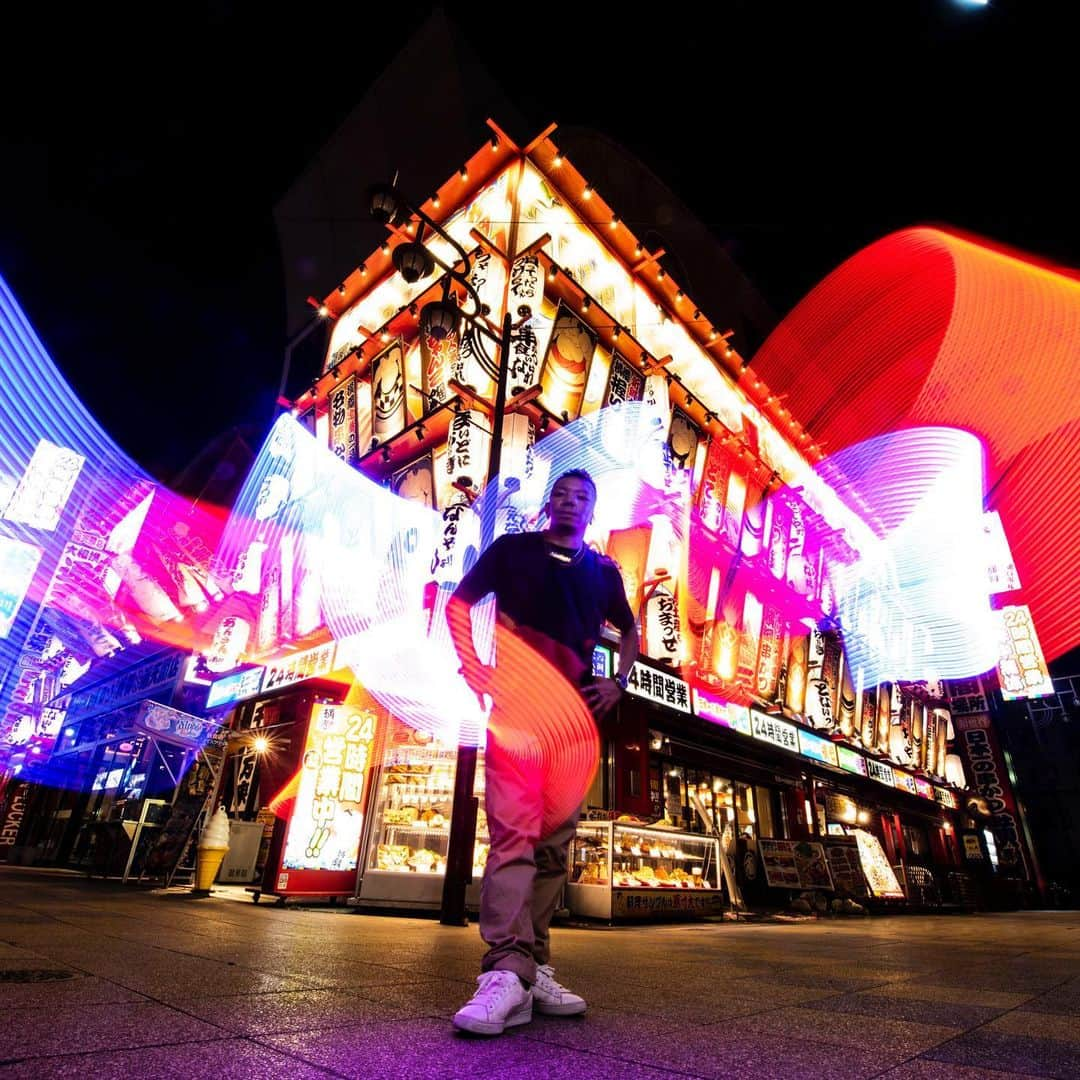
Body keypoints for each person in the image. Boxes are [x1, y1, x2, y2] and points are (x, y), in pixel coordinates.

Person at [446, 469, 639, 1036]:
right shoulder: (512, 551)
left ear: (592, 510)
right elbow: (460, 604)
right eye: (562, 494)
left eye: (583, 498)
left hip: (575, 724)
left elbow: (628, 630)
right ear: (548, 502)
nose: (571, 503)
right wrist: (474, 664)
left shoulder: (603, 572)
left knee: (554, 849)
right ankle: (504, 969)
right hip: (518, 712)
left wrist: (619, 681)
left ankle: (533, 968)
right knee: (513, 837)